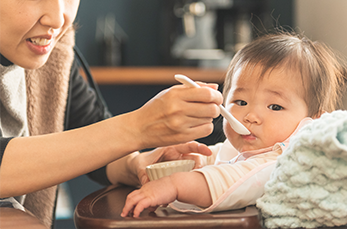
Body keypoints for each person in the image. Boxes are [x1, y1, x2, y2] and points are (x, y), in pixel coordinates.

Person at [0, 0, 223, 228]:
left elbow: (93, 138)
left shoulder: (56, 54)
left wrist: (136, 164)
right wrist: (136, 128)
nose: (58, 19)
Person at [121, 31, 347, 217]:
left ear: (312, 123)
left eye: (275, 107)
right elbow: (222, 156)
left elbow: (232, 179)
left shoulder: (286, 162)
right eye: (240, 101)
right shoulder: (248, 145)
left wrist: (174, 185)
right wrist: (194, 162)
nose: (250, 116)